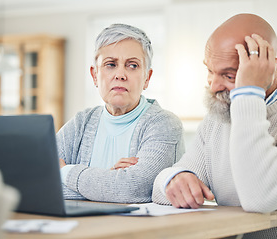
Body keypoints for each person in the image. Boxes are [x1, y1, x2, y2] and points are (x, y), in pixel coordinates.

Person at [152, 13, 277, 239]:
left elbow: (261, 197)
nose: (214, 85)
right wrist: (174, 179)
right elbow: (161, 186)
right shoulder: (217, 118)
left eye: (229, 75)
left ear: (270, 68)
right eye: (209, 71)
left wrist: (248, 93)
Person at [57, 23, 184, 203]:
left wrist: (65, 172)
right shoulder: (81, 123)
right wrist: (108, 182)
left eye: (132, 65)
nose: (120, 74)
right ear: (95, 75)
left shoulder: (165, 124)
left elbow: (132, 188)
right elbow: (36, 178)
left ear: (147, 78)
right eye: (110, 64)